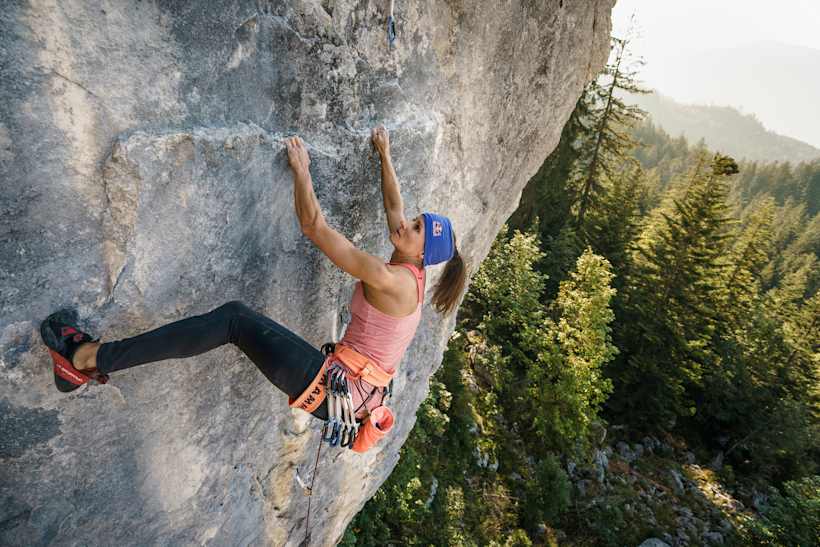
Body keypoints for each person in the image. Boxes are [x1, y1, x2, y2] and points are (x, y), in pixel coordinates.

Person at [40, 125, 467, 452]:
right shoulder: (414, 270)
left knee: (235, 321)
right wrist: (384, 155)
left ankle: (85, 359)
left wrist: (302, 172)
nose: (403, 224)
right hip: (354, 393)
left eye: (414, 229)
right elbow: (394, 205)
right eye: (413, 220)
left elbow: (313, 226)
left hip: (333, 390)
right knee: (236, 319)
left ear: (422, 251)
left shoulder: (389, 278)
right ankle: (87, 360)